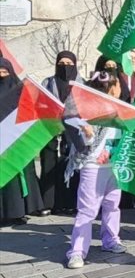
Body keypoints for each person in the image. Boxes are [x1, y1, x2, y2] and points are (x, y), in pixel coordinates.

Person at [65, 72, 127, 269]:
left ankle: (110, 239)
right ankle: (77, 251)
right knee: (87, 210)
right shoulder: (89, 110)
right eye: (117, 85)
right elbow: (79, 138)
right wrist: (87, 133)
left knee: (112, 205)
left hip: (113, 166)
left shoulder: (121, 108)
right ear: (110, 87)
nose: (120, 89)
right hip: (92, 165)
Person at [0, 58, 44, 225]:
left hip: (18, 139)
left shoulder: (21, 91)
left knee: (19, 177)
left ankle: (19, 211)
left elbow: (30, 112)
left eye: (5, 73)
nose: (2, 76)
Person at [40, 51, 84, 215]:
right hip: (50, 127)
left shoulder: (81, 84)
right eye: (62, 63)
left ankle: (70, 202)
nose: (65, 67)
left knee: (71, 163)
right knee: (49, 163)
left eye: (69, 64)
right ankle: (48, 203)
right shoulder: (48, 82)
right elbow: (41, 101)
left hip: (73, 129)